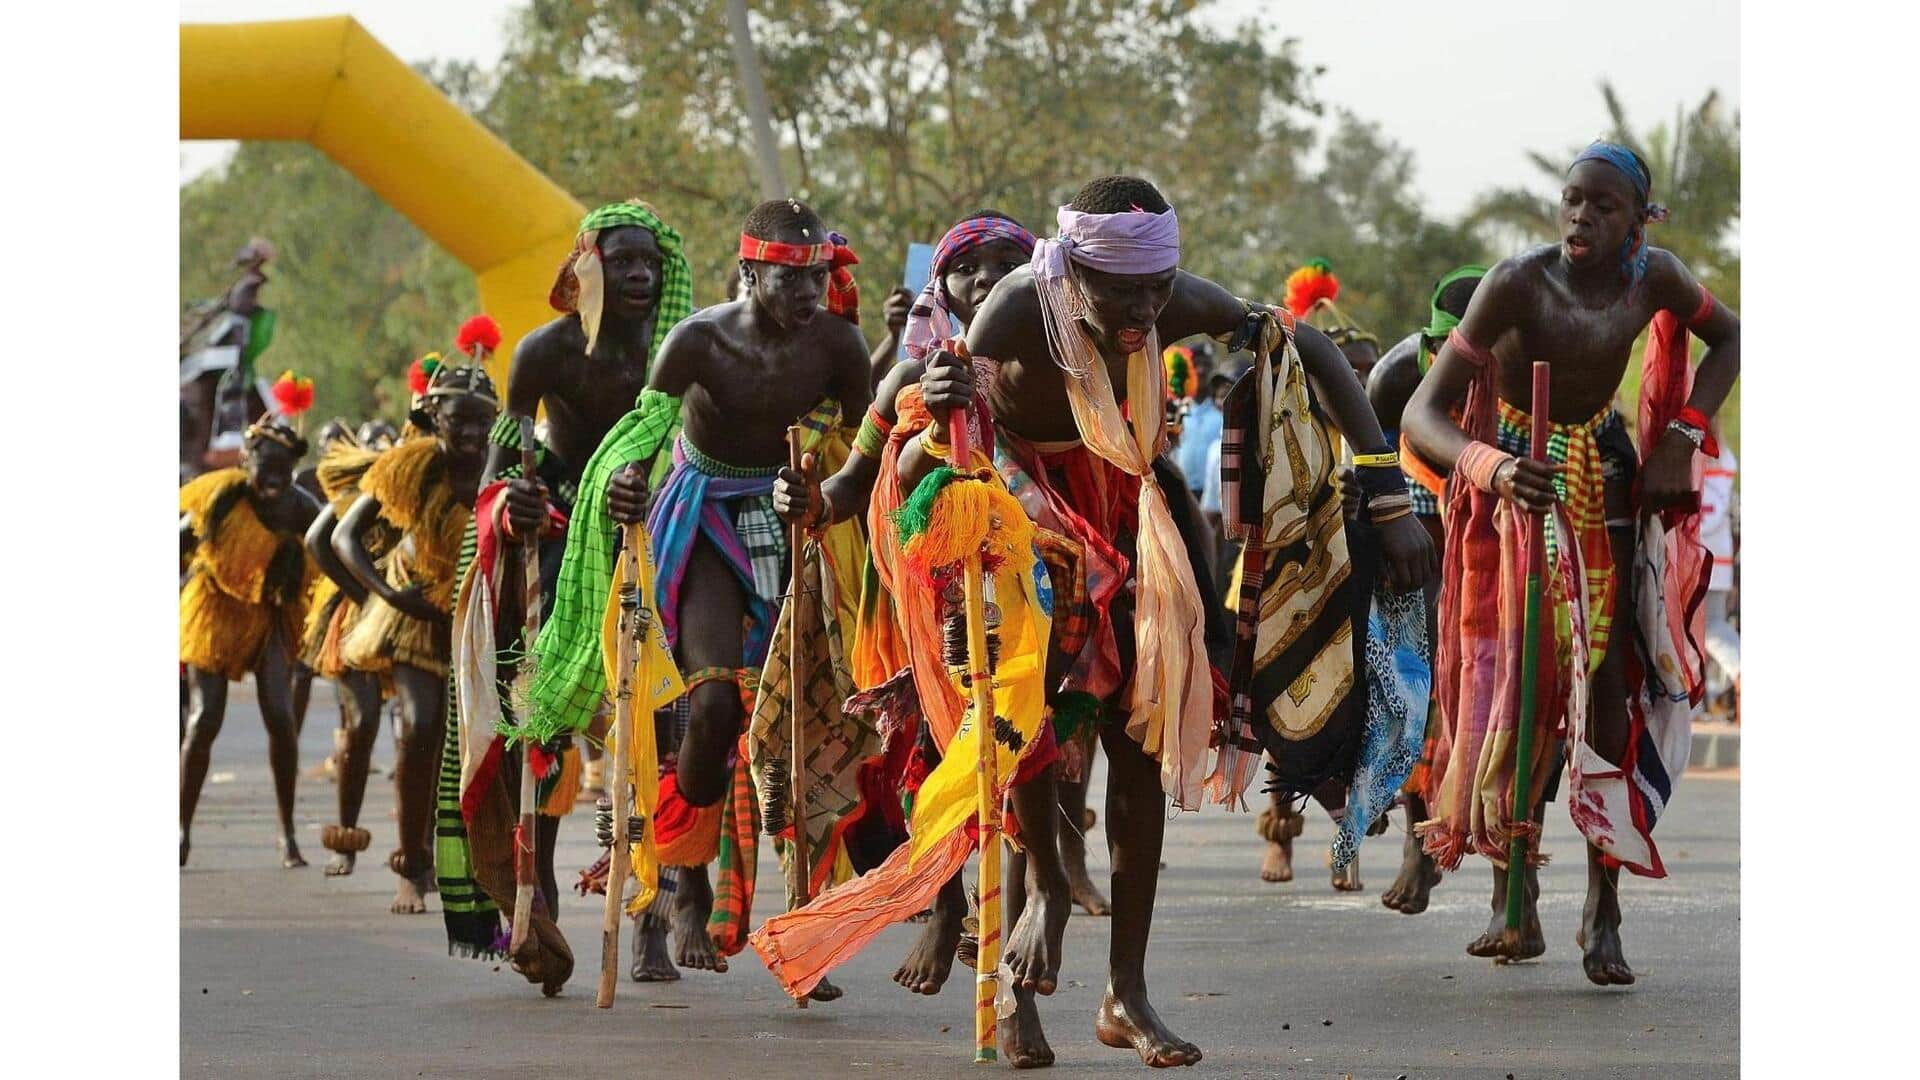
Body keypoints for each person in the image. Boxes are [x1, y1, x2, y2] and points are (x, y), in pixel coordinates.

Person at [759, 176, 1432, 1067]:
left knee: (1142, 743)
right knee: (1025, 730)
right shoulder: (1012, 313)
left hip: (1128, 517)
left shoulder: (1168, 305)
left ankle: (1127, 992)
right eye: (1122, 293)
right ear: (1073, 269)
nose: (1143, 310)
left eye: (1159, 290)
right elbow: (905, 405)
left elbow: (1296, 342)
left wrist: (1383, 478)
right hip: (1020, 516)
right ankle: (1035, 912)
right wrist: (835, 491)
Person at [1404, 142, 1739, 985]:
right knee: (1514, 682)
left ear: (1638, 221)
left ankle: (1604, 904)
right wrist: (1493, 467)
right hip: (1516, 485)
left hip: (1604, 476)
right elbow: (1424, 412)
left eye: (1602, 206)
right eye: (1572, 201)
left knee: (1606, 685)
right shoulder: (1518, 283)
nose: (1580, 218)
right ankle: (1510, 898)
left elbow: (1729, 340)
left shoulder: (1655, 278)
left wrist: (1682, 435)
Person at [556, 198, 871, 990]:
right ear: (749, 273)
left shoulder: (839, 345)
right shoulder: (697, 338)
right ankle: (677, 881)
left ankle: (803, 923)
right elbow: (643, 432)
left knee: (802, 721)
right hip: (700, 520)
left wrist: (824, 495)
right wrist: (626, 480)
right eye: (789, 280)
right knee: (713, 706)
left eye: (818, 278)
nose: (808, 295)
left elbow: (870, 457)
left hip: (792, 516)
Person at [463, 201, 695, 977]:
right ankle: (540, 911)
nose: (637, 274)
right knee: (546, 723)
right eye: (621, 260)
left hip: (661, 522)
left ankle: (653, 919)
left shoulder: (681, 351)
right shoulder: (542, 354)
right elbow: (504, 459)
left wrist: (654, 491)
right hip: (563, 539)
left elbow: (707, 442)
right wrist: (515, 502)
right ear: (583, 268)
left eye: (650, 264)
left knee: (663, 725)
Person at [333, 360, 499, 916]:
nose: (472, 435)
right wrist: (384, 594)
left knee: (473, 744)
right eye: (460, 421)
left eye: (483, 422)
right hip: (413, 614)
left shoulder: (507, 469)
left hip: (477, 618)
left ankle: (476, 862)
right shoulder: (411, 467)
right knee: (421, 723)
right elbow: (340, 537)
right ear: (434, 414)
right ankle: (411, 863)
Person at [1368, 265, 1486, 916]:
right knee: (1412, 680)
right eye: (1450, 357)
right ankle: (1419, 842)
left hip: (1500, 516)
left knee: (1501, 688)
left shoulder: (1523, 382)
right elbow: (1367, 468)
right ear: (1433, 348)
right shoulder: (1396, 379)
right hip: (1416, 516)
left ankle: (1509, 867)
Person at [179, 415, 320, 868]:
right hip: (215, 612)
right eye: (266, 465)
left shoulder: (302, 508)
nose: (275, 477)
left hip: (271, 616)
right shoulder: (221, 498)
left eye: (285, 466)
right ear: (246, 460)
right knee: (205, 719)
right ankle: (180, 827)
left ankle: (287, 832)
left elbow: (330, 549)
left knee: (281, 716)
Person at [300, 427, 395, 876]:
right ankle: (346, 839)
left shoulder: (433, 478)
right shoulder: (373, 484)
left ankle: (421, 852)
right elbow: (321, 540)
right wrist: (368, 596)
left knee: (424, 729)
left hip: (412, 612)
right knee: (365, 719)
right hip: (359, 615)